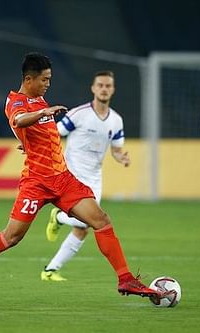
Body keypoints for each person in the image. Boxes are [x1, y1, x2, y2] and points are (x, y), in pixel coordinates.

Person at [0, 53, 156, 304]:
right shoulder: (16, 101)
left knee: (101, 221)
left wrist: (30, 139)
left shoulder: (39, 99)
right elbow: (19, 120)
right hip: (36, 182)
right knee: (11, 237)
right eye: (44, 80)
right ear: (29, 79)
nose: (48, 84)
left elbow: (40, 132)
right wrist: (41, 115)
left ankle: (125, 278)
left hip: (64, 179)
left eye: (49, 79)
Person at [42, 70, 130, 282]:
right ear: (93, 88)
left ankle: (50, 269)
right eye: (100, 85)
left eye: (108, 86)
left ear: (113, 90)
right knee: (88, 223)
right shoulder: (79, 114)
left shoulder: (116, 121)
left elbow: (116, 149)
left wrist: (121, 158)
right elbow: (54, 133)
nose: (104, 89)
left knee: (83, 228)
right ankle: (52, 264)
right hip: (71, 175)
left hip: (94, 178)